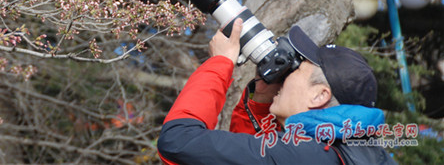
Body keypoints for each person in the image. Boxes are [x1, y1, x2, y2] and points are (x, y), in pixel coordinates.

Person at [158, 19, 397, 164]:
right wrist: (261, 102)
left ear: (319, 96)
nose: (286, 77)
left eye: (297, 70)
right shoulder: (347, 153)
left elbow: (178, 141)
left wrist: (220, 64)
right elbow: (252, 155)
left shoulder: (303, 155)